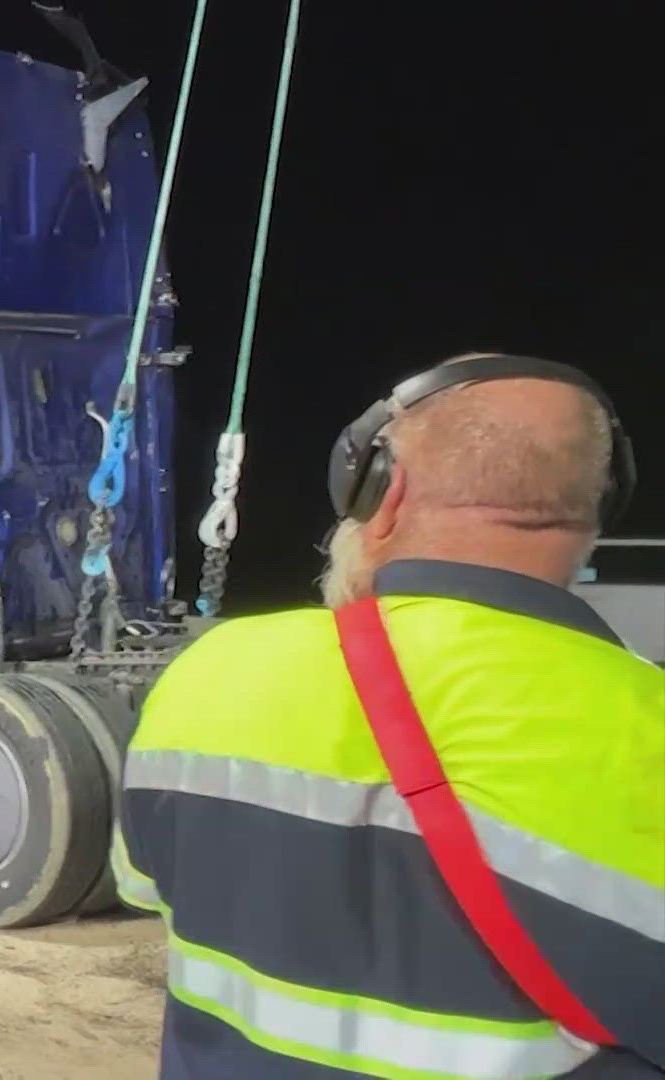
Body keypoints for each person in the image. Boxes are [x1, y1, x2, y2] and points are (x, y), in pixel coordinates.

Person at [113, 353, 664, 1078]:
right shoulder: (639, 720)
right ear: (600, 503)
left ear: (381, 488)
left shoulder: (212, 671)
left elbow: (142, 885)